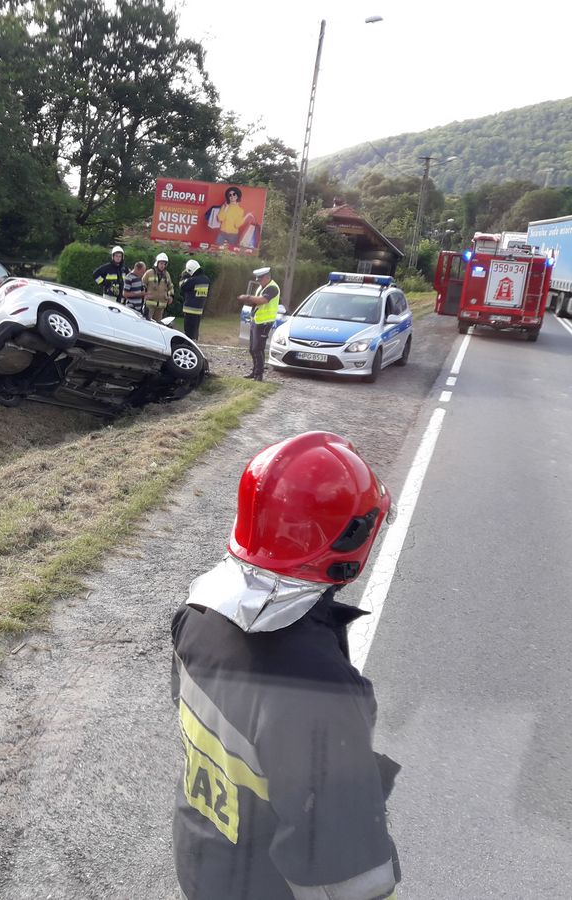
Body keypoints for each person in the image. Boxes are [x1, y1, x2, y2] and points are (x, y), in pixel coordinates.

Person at [172, 431, 401, 900]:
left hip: (200, 862)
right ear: (352, 542)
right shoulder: (316, 690)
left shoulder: (196, 614)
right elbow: (352, 873)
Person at [238, 265, 281, 381]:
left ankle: (259, 375)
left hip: (264, 322)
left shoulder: (272, 288)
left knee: (258, 349)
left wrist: (248, 297)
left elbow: (263, 300)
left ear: (267, 277)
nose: (259, 281)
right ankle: (254, 372)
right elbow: (257, 302)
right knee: (252, 349)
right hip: (257, 321)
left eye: (261, 279)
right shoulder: (262, 287)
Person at [178, 259, 210, 341]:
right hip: (199, 310)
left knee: (188, 332)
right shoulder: (206, 279)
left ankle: (188, 345)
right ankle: (194, 342)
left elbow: (182, 286)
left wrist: (184, 277)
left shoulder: (193, 280)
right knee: (195, 331)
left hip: (189, 310)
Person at [144, 252, 174, 321]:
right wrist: (144, 295)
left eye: (164, 264)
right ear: (157, 263)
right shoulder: (149, 273)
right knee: (147, 323)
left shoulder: (167, 275)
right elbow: (142, 284)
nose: (162, 266)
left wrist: (171, 296)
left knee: (158, 324)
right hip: (150, 304)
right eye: (161, 263)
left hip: (161, 305)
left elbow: (170, 287)